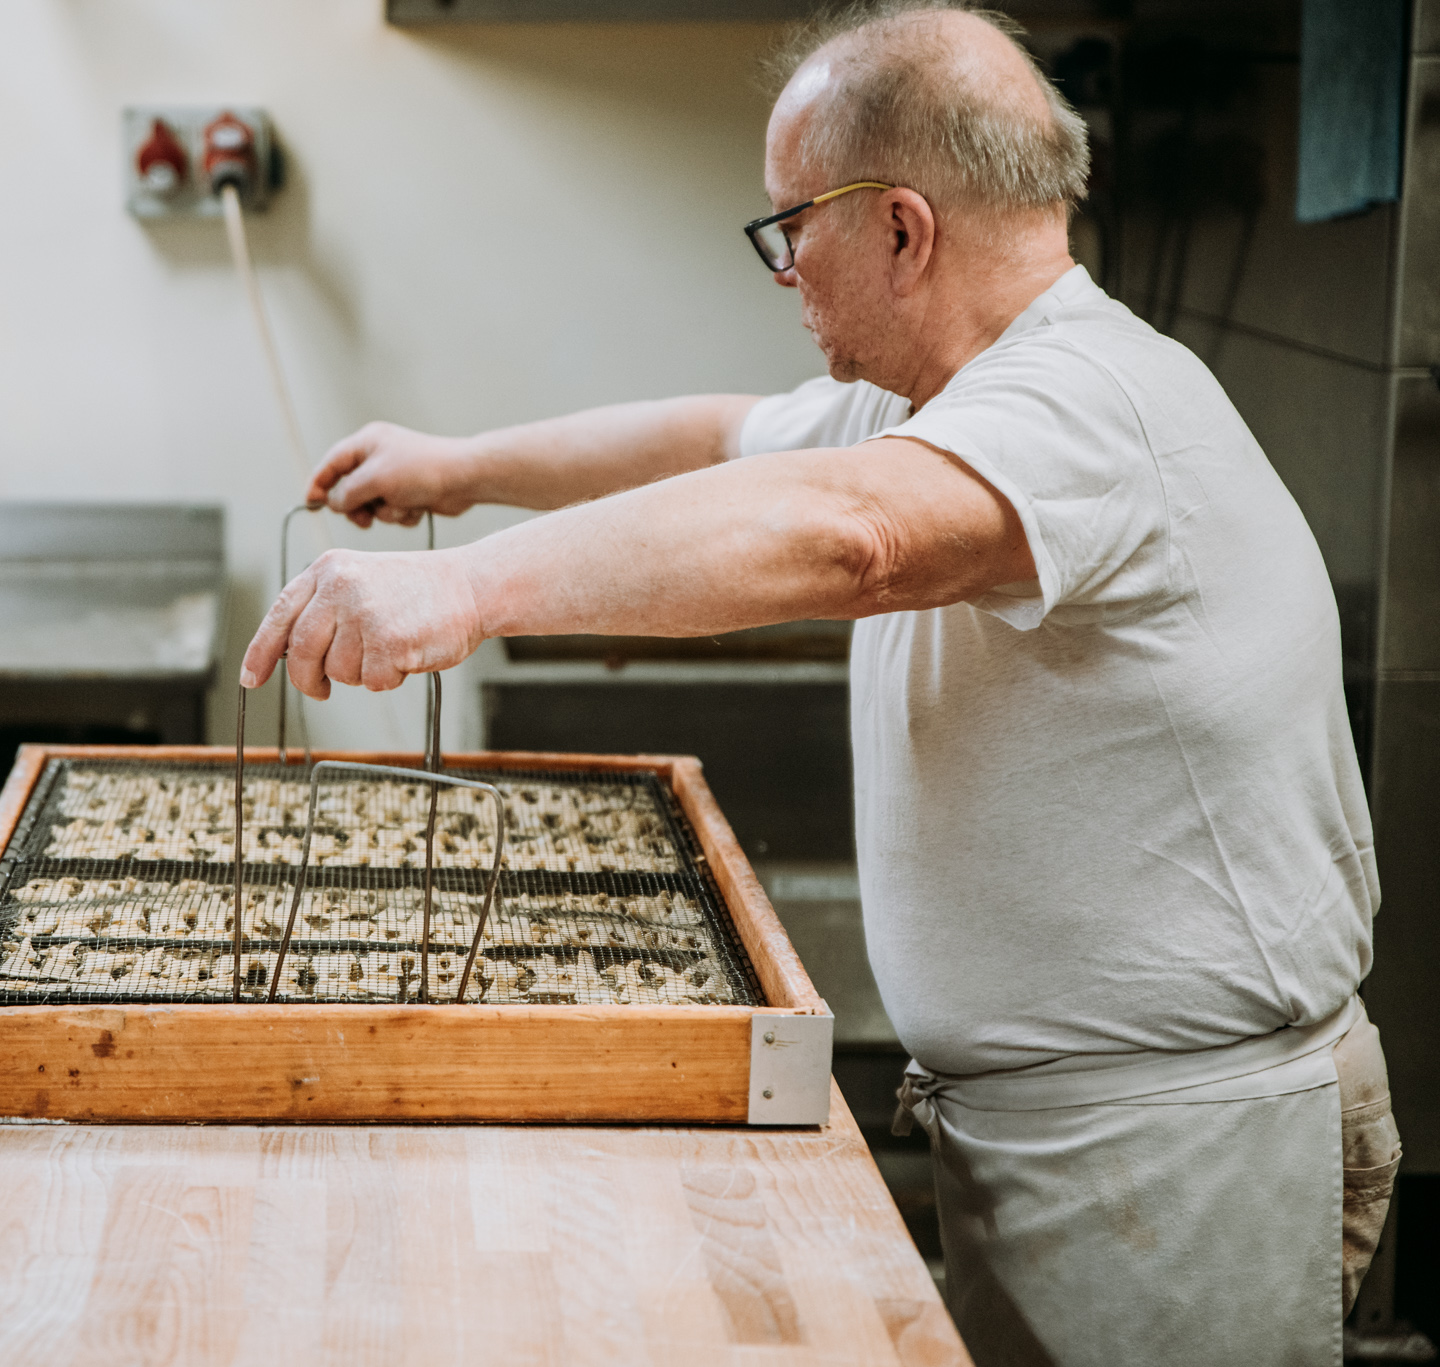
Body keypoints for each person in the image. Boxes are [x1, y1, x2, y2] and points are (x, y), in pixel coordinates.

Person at [240, 3, 1398, 1364]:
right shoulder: (946, 392)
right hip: (1077, 1135)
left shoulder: (1089, 400)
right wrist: (463, 463)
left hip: (1182, 1152)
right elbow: (715, 444)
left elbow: (855, 535)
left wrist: (466, 588)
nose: (783, 266)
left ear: (903, 230)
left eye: (793, 223)